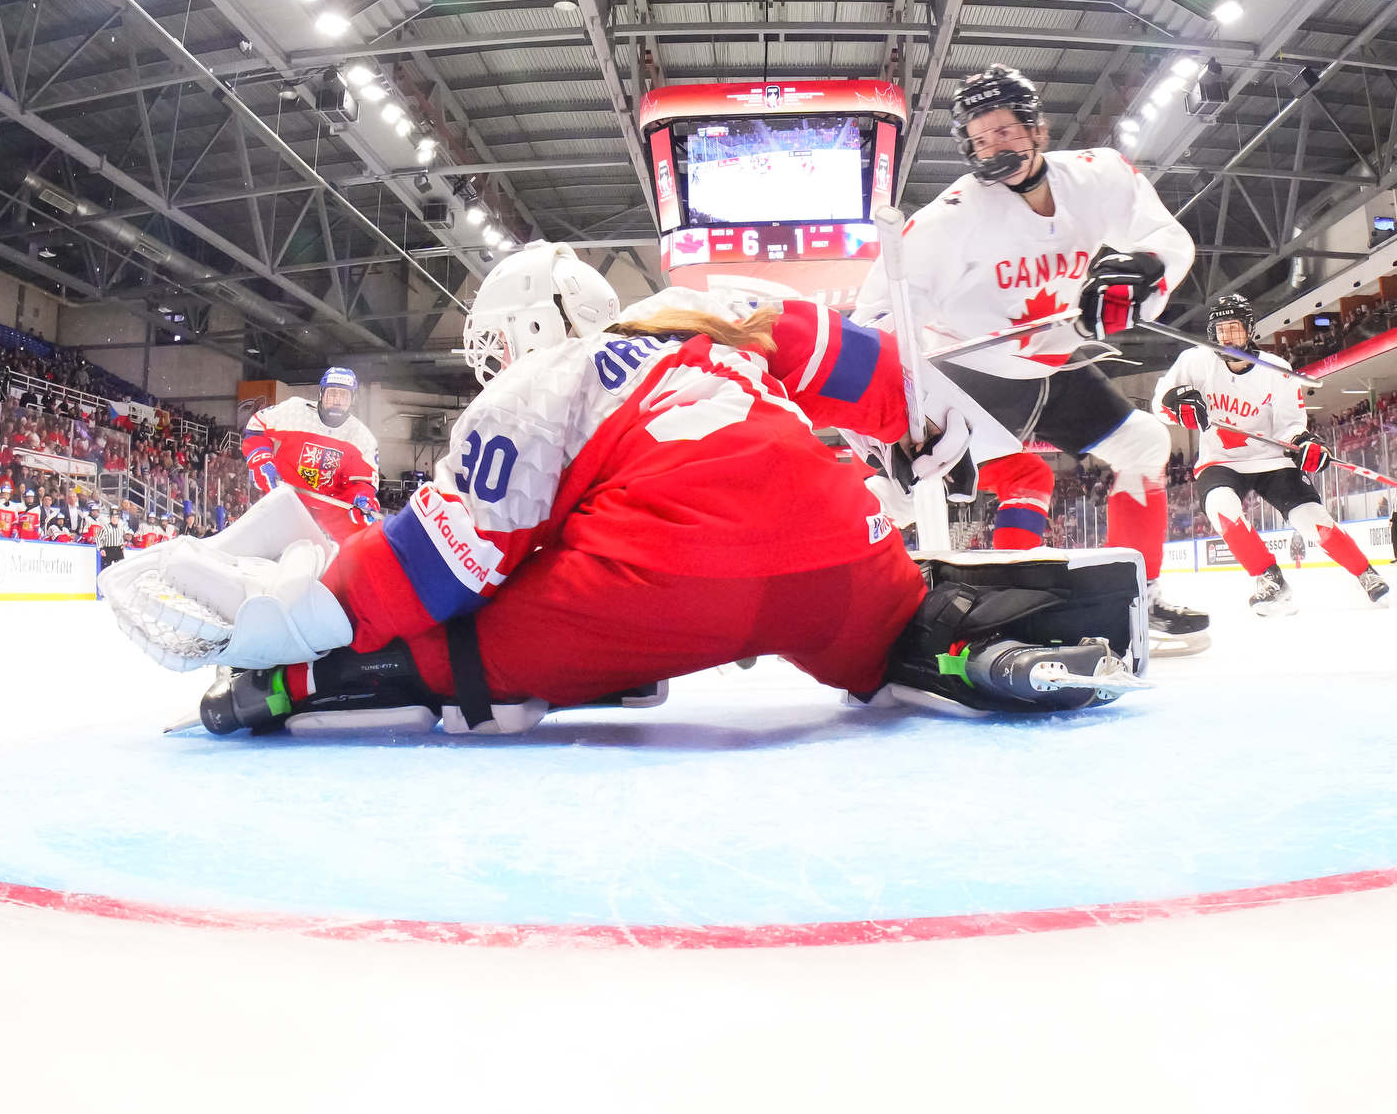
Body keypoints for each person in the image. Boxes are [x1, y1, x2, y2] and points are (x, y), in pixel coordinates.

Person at [104, 243, 1148, 735]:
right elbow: (895, 381)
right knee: (889, 616)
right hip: (837, 549)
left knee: (460, 644)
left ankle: (300, 689)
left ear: (527, 331)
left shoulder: (537, 385)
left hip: (658, 582)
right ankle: (959, 644)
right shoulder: (713, 310)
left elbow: (442, 565)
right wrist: (951, 436)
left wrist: (303, 618)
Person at [854, 63, 1210, 653]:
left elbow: (1165, 239)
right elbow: (878, 311)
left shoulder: (1098, 175)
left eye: (1004, 130)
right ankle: (820, 579)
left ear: (1037, 128)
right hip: (974, 377)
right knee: (907, 491)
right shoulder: (953, 216)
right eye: (979, 138)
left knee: (1145, 445)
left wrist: (1144, 273)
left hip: (1056, 365)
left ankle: (1137, 598)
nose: (994, 147)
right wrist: (898, 408)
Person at [1152, 293, 1389, 613]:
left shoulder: (1277, 369)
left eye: (1234, 328)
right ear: (1212, 333)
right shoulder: (1194, 362)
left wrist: (1304, 444)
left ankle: (1365, 573)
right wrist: (1176, 404)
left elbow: (1290, 426)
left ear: (1249, 330)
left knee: (1310, 518)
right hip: (1220, 461)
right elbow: (1159, 405)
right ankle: (1269, 578)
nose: (1227, 337)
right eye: (1221, 329)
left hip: (1272, 459)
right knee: (1220, 506)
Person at [241, 365, 381, 518]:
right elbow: (257, 424)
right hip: (282, 499)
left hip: (327, 516)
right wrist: (261, 461)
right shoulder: (296, 411)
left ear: (352, 399)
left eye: (344, 396)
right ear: (321, 394)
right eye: (332, 394)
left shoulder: (362, 437)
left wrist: (364, 498)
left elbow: (364, 482)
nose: (337, 401)